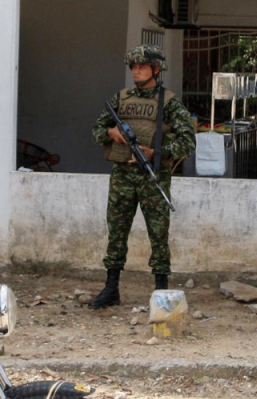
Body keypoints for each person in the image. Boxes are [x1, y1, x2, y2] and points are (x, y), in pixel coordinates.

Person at [88, 44, 195, 308]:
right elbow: (96, 130)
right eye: (133, 67)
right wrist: (112, 133)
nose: (136, 71)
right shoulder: (120, 99)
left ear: (156, 70)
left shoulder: (168, 103)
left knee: (158, 235)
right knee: (117, 233)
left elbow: (188, 142)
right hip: (123, 176)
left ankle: (161, 292)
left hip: (152, 177)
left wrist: (154, 152)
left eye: (142, 66)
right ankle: (111, 289)